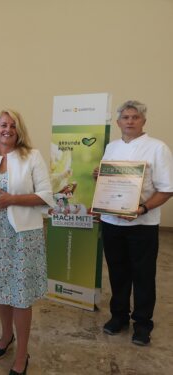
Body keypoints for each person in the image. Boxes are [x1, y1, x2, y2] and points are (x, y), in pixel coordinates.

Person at [0, 109, 54, 375]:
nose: (7, 129)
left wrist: (12, 199)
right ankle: (7, 335)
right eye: (3, 124)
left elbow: (46, 196)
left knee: (20, 296)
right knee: (1, 291)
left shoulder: (33, 156)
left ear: (19, 131)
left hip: (22, 236)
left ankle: (21, 354)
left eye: (13, 126)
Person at [96, 100, 173, 346]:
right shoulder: (111, 147)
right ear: (118, 122)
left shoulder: (157, 148)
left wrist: (141, 209)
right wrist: (101, 175)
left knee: (143, 275)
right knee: (117, 273)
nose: (130, 121)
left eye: (135, 117)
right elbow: (110, 181)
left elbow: (167, 189)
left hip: (142, 224)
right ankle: (118, 316)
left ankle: (142, 323)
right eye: (126, 117)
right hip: (111, 221)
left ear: (143, 121)